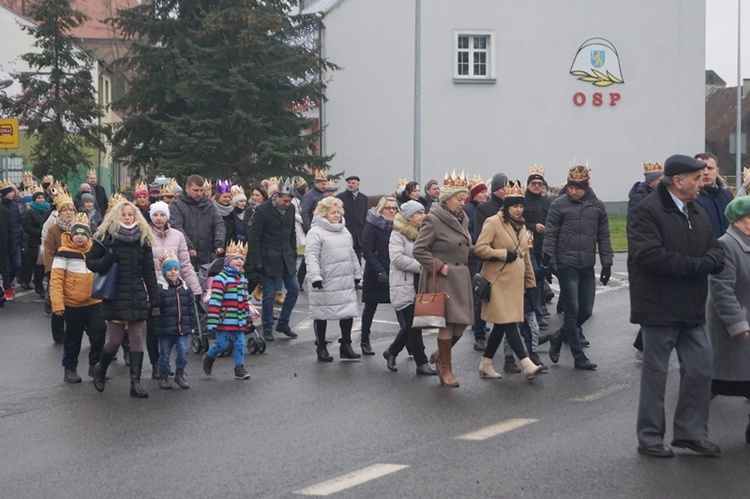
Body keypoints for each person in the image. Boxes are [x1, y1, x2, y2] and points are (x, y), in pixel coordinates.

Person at [628, 154, 724, 458]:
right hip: (659, 307)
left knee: (699, 368)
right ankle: (650, 438)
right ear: (678, 180)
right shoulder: (647, 211)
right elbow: (648, 255)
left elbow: (715, 248)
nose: (701, 182)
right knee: (655, 375)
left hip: (692, 307)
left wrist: (710, 261)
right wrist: (697, 266)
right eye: (696, 178)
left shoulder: (696, 209)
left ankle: (691, 433)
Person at [87, 199, 161, 398]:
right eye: (124, 214)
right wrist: (106, 261)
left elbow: (149, 272)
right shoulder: (106, 236)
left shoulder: (143, 238)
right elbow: (91, 262)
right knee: (115, 340)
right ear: (116, 216)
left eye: (131, 214)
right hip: (115, 294)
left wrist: (155, 298)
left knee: (137, 338)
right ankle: (100, 370)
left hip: (137, 293)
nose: (127, 218)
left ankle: (135, 383)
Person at [543, 165, 612, 370]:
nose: (574, 191)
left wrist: (607, 263)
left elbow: (604, 236)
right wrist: (548, 261)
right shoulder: (558, 205)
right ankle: (578, 355)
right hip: (566, 264)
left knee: (586, 311)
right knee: (571, 311)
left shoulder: (597, 206)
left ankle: (557, 336)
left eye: (578, 188)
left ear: (586, 186)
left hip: (587, 264)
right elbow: (550, 235)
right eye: (571, 187)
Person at [474, 181, 543, 381]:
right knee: (509, 323)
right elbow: (479, 248)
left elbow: (525, 257)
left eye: (520, 206)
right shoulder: (493, 222)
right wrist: (502, 254)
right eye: (514, 206)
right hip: (496, 282)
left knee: (501, 325)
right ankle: (526, 363)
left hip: (514, 285)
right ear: (507, 206)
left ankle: (486, 363)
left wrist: (530, 282)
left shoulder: (521, 226)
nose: (518, 210)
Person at [413, 171, 474, 388]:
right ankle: (445, 369)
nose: (463, 202)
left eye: (464, 198)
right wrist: (440, 267)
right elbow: (419, 250)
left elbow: (464, 245)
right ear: (447, 198)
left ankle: (440, 354)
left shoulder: (463, 219)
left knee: (461, 325)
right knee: (448, 324)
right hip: (444, 278)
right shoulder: (434, 219)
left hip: (461, 277)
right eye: (459, 198)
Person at [707, 196, 750, 444]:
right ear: (737, 220)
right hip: (732, 327)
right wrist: (739, 324)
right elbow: (722, 290)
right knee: (716, 382)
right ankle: (689, 423)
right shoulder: (726, 246)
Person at [49, 213, 106, 383]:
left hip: (94, 301)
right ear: (71, 235)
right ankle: (70, 367)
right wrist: (57, 303)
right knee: (73, 338)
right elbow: (56, 280)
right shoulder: (63, 253)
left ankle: (94, 364)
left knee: (100, 333)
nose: (80, 237)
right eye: (77, 234)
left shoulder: (94, 250)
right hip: (72, 303)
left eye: (83, 234)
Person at [304, 196, 363, 361]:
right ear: (324, 213)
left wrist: (357, 273)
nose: (336, 215)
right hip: (325, 280)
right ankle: (321, 346)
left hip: (344, 279)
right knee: (321, 313)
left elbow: (351, 254)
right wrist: (315, 276)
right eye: (333, 212)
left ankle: (346, 344)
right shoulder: (315, 232)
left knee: (347, 312)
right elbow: (311, 256)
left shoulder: (344, 230)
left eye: (338, 212)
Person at [148, 201, 202, 378]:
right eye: (155, 215)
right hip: (153, 287)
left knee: (171, 327)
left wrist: (195, 288)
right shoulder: (145, 234)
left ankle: (172, 366)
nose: (159, 218)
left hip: (174, 288)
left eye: (162, 215)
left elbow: (185, 264)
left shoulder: (178, 236)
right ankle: (156, 363)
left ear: (167, 217)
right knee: (153, 329)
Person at [382, 200, 436, 375]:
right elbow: (396, 259)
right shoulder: (398, 234)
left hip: (421, 283)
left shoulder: (423, 232)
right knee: (414, 324)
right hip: (405, 283)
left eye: (423, 212)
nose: (423, 215)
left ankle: (391, 351)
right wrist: (421, 265)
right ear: (409, 217)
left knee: (414, 323)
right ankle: (421, 363)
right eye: (419, 213)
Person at [249, 179, 300, 341]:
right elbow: (254, 237)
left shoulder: (291, 209)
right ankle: (268, 327)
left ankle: (283, 322)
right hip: (268, 258)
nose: (287, 204)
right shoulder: (263, 210)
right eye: (285, 201)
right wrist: (256, 260)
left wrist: (293, 251)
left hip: (286, 256)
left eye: (289, 201)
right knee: (269, 294)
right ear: (277, 196)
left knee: (294, 289)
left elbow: (291, 232)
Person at [202, 241, 255, 380]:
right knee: (222, 344)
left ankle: (239, 368)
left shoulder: (242, 279)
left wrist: (248, 317)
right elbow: (215, 301)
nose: (239, 261)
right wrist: (213, 321)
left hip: (238, 319)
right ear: (228, 260)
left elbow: (244, 301)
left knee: (239, 344)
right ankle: (209, 357)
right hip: (224, 320)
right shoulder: (221, 279)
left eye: (241, 259)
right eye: (236, 258)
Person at [628, 160, 664, 360]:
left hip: (657, 251)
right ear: (652, 181)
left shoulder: (658, 196)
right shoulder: (639, 200)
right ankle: (644, 346)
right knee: (651, 303)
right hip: (643, 255)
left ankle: (643, 344)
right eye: (660, 180)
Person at [360, 196, 398, 355]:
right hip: (376, 273)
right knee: (370, 307)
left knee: (401, 307)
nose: (391, 211)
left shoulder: (398, 226)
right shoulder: (372, 226)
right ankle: (364, 340)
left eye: (394, 208)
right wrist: (379, 270)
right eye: (388, 208)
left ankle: (408, 342)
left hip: (395, 272)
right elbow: (367, 251)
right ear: (381, 209)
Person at [154, 250, 197, 389]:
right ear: (164, 271)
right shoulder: (160, 289)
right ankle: (164, 375)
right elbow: (155, 308)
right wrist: (156, 319)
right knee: (165, 354)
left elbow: (190, 309)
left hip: (181, 329)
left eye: (175, 269)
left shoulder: (185, 289)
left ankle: (179, 373)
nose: (173, 272)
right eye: (170, 270)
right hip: (165, 329)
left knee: (183, 351)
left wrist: (193, 325)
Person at [169, 174, 226, 267]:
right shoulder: (177, 206)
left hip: (207, 256)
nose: (199, 193)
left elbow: (219, 223)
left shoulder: (209, 205)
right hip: (185, 256)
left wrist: (219, 243)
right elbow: (176, 227)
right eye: (195, 190)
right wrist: (189, 246)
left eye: (201, 190)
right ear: (187, 188)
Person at [44, 192, 77, 343]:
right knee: (59, 302)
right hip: (59, 270)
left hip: (76, 270)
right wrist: (50, 271)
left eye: (71, 210)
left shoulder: (80, 227)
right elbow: (48, 251)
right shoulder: (54, 230)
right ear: (60, 212)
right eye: (65, 210)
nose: (68, 212)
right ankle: (58, 334)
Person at [463, 175, 490, 351]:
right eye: (482, 192)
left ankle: (479, 321)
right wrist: (479, 239)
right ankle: (476, 323)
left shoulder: (480, 208)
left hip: (479, 253)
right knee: (477, 290)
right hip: (472, 255)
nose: (485, 195)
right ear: (475, 195)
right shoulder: (469, 209)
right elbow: (468, 231)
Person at [524, 164, 552, 324]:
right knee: (532, 278)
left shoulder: (547, 201)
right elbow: (519, 221)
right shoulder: (522, 200)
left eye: (539, 184)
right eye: (533, 183)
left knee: (541, 278)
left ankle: (540, 307)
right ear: (528, 185)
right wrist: (534, 227)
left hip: (544, 245)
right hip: (528, 246)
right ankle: (536, 313)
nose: (536, 186)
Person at [695, 152, 733, 239]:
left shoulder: (727, 195)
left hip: (728, 248)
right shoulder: (691, 198)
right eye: (701, 169)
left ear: (717, 171)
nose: (705, 172)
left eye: (710, 168)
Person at [21, 186, 49, 296]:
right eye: (39, 198)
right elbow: (27, 227)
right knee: (36, 265)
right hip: (34, 242)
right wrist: (41, 232)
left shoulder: (47, 210)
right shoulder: (30, 211)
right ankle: (39, 287)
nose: (41, 200)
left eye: (42, 197)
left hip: (45, 241)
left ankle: (39, 284)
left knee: (42, 266)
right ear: (34, 199)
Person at [336, 175, 368, 265]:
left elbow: (365, 215)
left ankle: (357, 276)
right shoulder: (340, 197)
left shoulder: (363, 198)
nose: (350, 185)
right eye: (349, 183)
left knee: (357, 259)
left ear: (358, 185)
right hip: (346, 231)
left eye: (353, 183)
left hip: (359, 234)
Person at [1, 181, 21, 301]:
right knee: (5, 266)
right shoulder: (2, 208)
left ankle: (8, 282)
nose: (12, 194)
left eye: (13, 191)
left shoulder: (14, 205)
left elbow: (19, 221)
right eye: (9, 192)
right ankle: (7, 287)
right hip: (5, 240)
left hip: (16, 238)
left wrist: (20, 232)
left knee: (17, 264)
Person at [300, 170, 327, 235]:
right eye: (322, 184)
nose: (324, 186)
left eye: (325, 184)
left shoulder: (324, 195)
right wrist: (308, 228)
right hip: (313, 228)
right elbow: (305, 212)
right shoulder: (308, 196)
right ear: (316, 183)